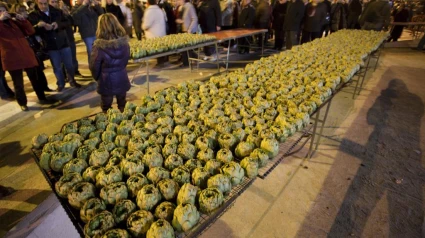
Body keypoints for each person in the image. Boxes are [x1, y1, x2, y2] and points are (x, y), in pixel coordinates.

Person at [0, 2, 53, 111]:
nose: (3, 12)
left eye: (4, 9)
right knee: (18, 83)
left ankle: (42, 97)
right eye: (0, 10)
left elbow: (31, 31)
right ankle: (22, 103)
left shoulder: (14, 21)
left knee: (35, 78)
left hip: (26, 54)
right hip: (11, 58)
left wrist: (23, 20)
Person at [28, 0, 81, 92]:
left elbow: (68, 22)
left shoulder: (57, 11)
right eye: (41, 4)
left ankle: (72, 80)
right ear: (37, 3)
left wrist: (58, 25)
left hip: (63, 42)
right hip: (50, 44)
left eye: (45, 3)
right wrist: (39, 26)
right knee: (57, 67)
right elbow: (31, 31)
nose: (43, 6)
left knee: (69, 65)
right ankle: (60, 83)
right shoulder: (33, 15)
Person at [90, 13, 130, 112]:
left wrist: (97, 77)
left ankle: (109, 124)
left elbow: (94, 66)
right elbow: (125, 60)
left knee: (106, 106)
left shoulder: (99, 46)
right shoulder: (124, 43)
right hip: (121, 76)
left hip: (106, 80)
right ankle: (125, 122)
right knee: (123, 104)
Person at [11, 2, 52, 91]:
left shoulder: (28, 19)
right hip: (24, 49)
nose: (23, 13)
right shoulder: (14, 23)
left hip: (35, 47)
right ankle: (40, 93)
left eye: (24, 11)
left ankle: (45, 87)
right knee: (32, 74)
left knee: (40, 69)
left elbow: (33, 31)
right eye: (20, 11)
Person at [143, 0, 167, 66]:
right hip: (161, 32)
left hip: (153, 33)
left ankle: (160, 62)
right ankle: (161, 61)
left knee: (157, 48)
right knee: (160, 48)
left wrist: (143, 27)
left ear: (148, 3)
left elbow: (146, 24)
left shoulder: (149, 11)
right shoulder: (159, 10)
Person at [176, 0, 198, 66]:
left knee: (186, 48)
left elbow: (194, 18)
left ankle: (186, 63)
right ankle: (193, 58)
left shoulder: (189, 6)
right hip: (184, 30)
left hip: (189, 31)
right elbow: (185, 19)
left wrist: (190, 29)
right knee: (187, 48)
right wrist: (181, 21)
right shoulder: (182, 7)